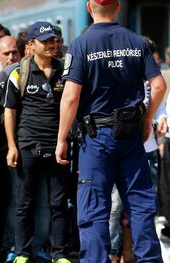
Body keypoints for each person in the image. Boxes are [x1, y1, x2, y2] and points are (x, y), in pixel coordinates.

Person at [55, 0, 166, 261]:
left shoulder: (82, 43)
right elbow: (158, 85)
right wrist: (147, 119)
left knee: (94, 208)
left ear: (89, 7)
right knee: (140, 206)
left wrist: (61, 138)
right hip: (130, 134)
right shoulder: (137, 41)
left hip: (96, 137)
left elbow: (71, 97)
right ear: (117, 7)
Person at [2, 21, 71, 263]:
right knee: (23, 204)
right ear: (31, 45)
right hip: (27, 146)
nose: (53, 44)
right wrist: (12, 146)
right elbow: (9, 111)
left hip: (58, 146)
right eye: (46, 41)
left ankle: (59, 254)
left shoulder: (66, 71)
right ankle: (22, 253)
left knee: (59, 203)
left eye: (55, 40)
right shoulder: (18, 72)